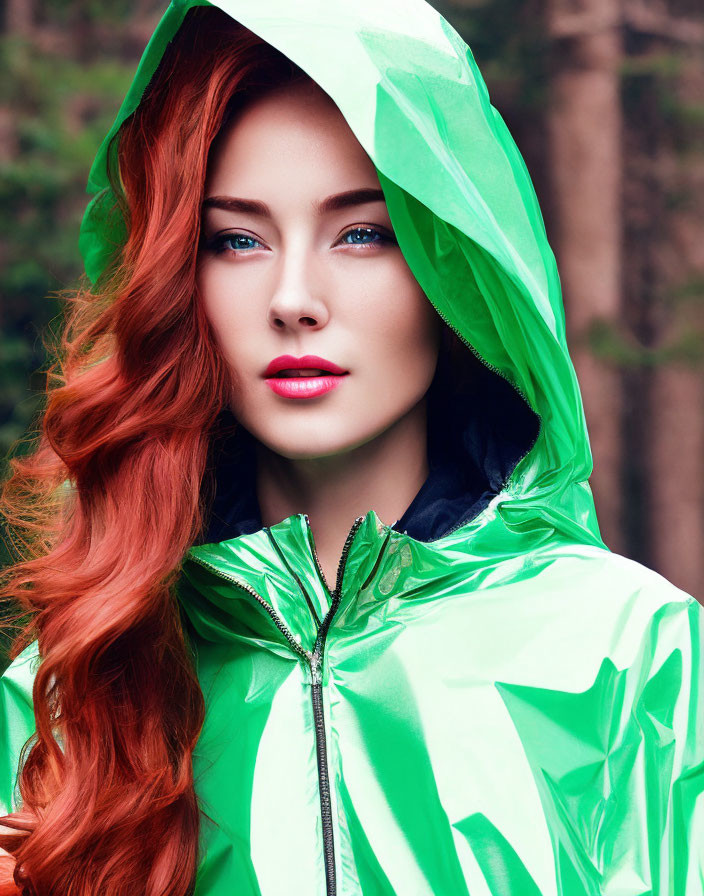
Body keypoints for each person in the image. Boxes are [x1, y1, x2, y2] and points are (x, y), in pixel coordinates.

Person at [0, 1, 702, 894]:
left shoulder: (631, 651)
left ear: (455, 266)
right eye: (238, 240)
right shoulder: (75, 688)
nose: (295, 297)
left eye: (362, 232)